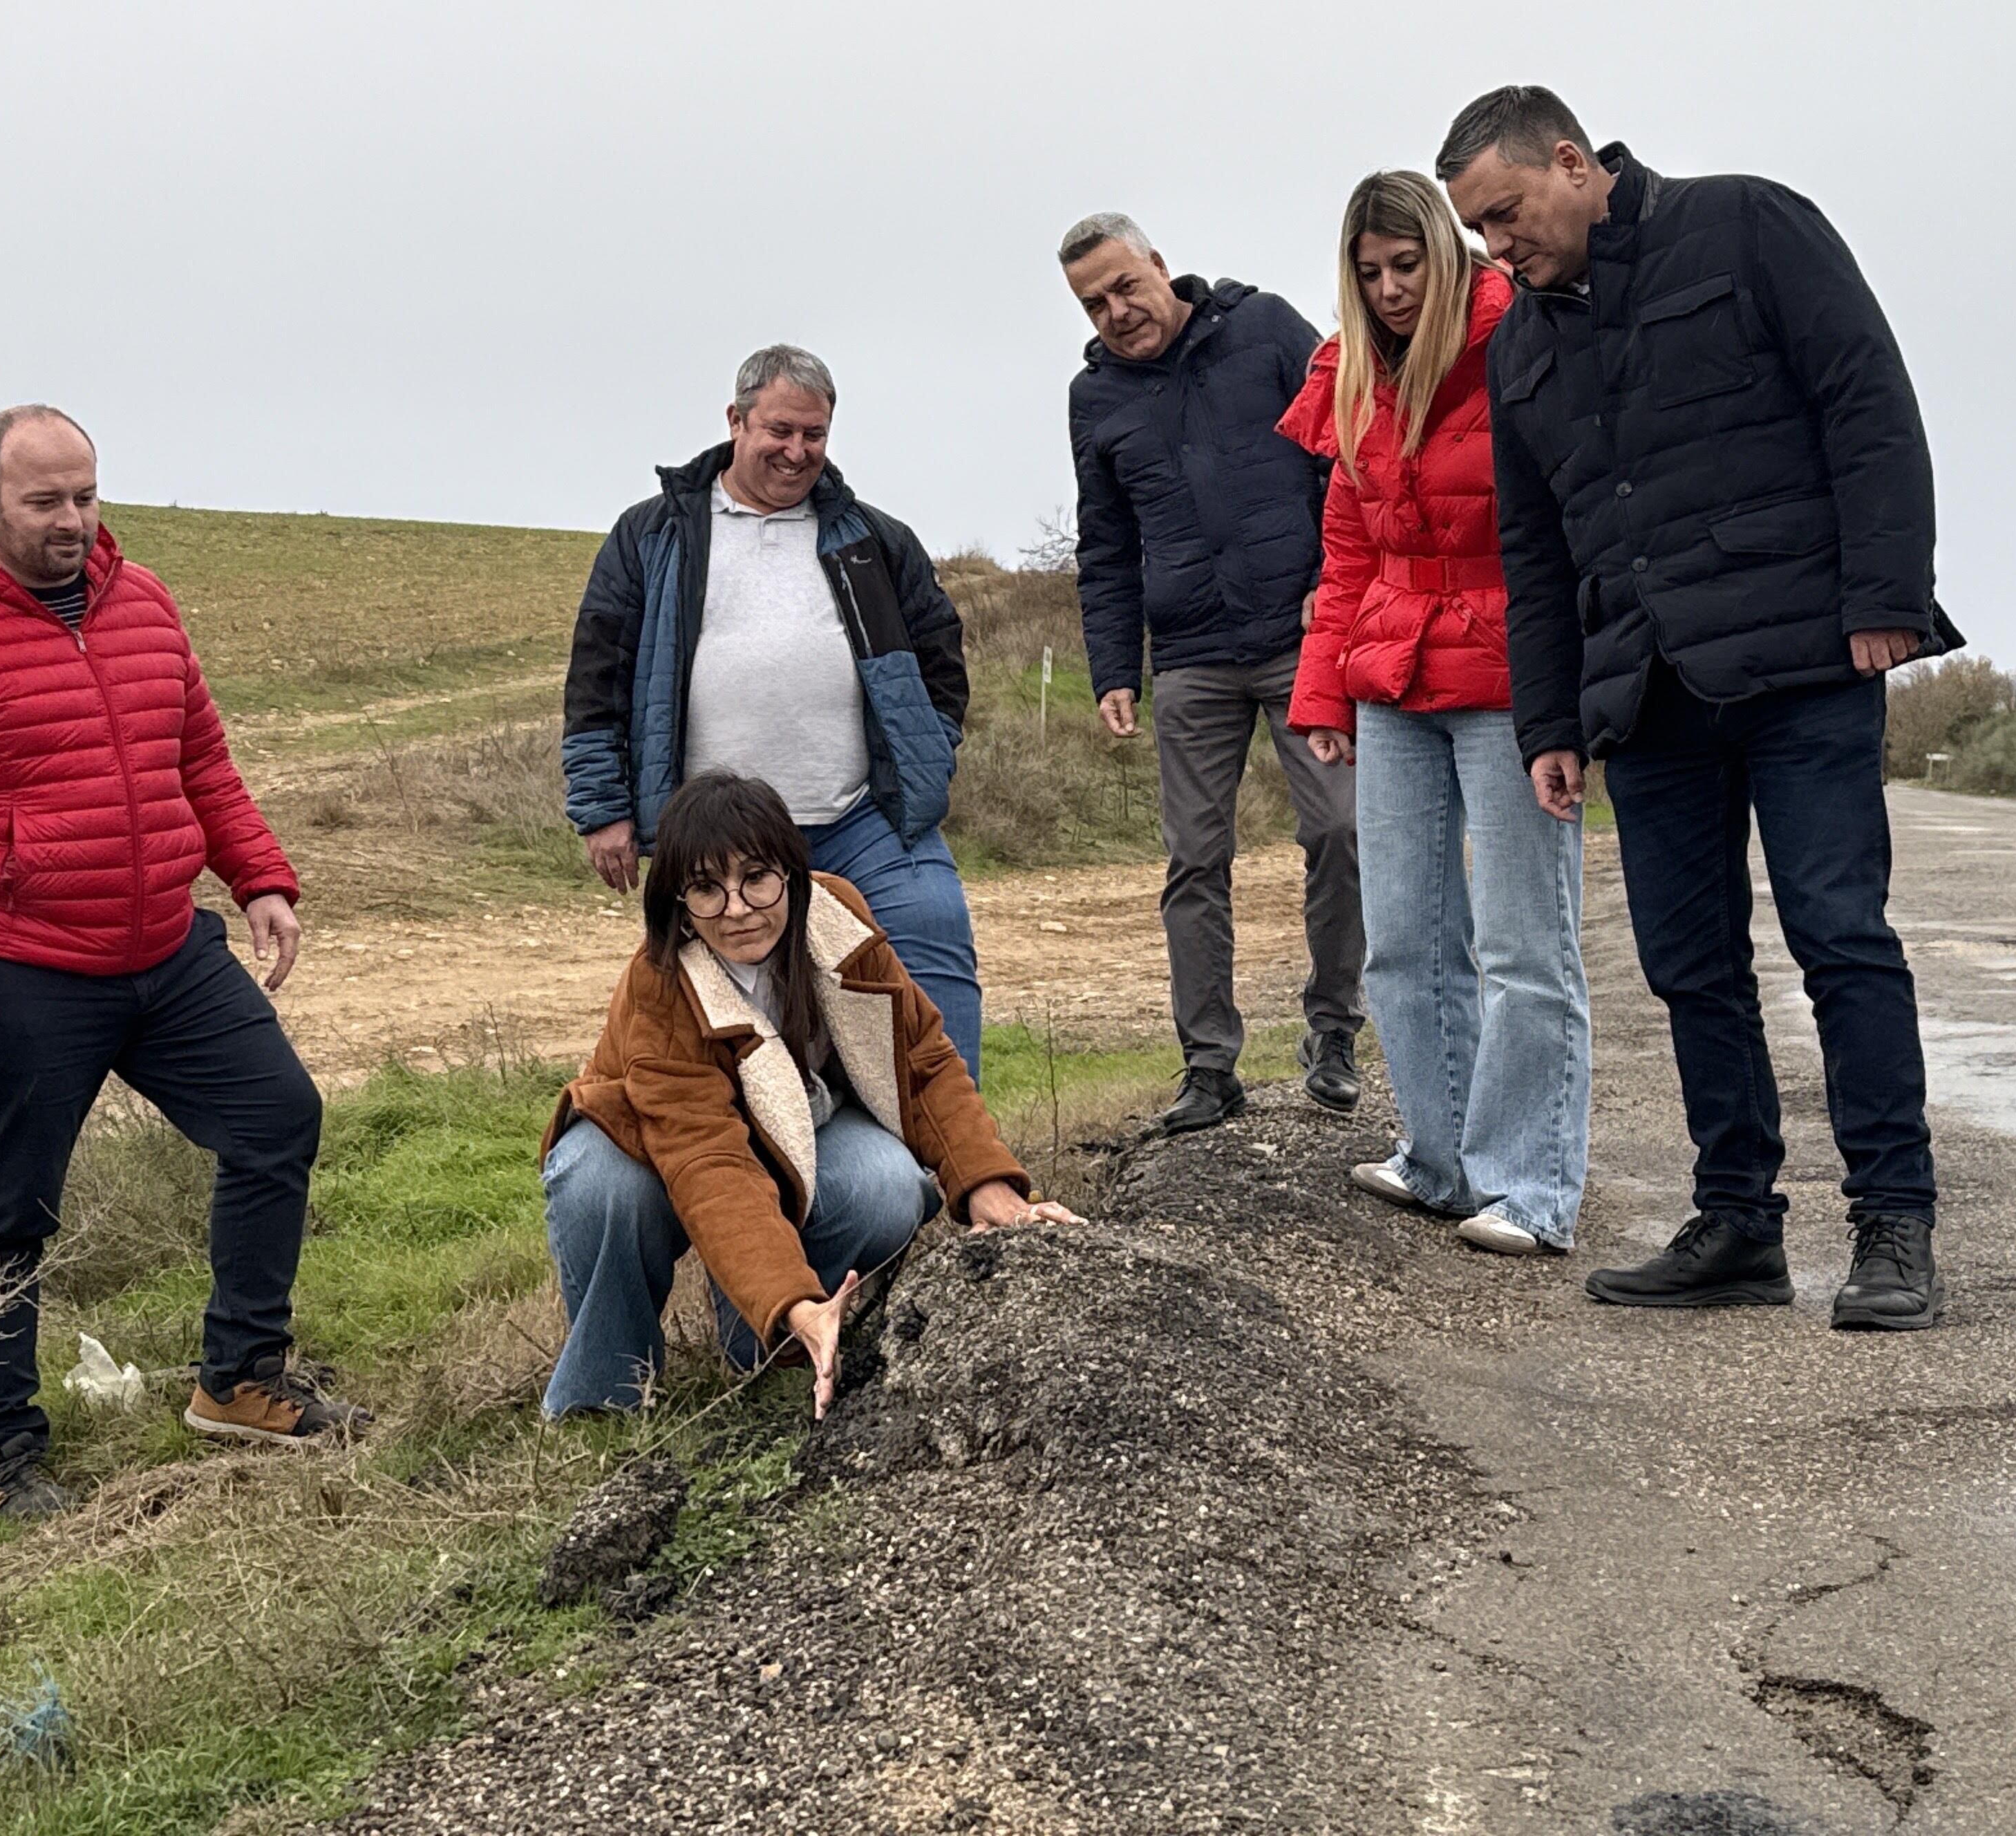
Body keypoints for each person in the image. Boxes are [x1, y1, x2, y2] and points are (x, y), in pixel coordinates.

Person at [1439, 85, 1961, 1331]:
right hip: (1647, 691)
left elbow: (1866, 400)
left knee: (1839, 937)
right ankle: (1737, 1222)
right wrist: (1550, 721)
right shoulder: (1519, 347)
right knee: (1688, 966)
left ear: (1572, 161)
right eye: (1478, 231)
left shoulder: (1747, 225)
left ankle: (1894, 1223)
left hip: (1801, 661)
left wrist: (1886, 594)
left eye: (1506, 214)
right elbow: (1534, 548)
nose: (1496, 247)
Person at [0, 406, 365, 1523]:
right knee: (7, 1215)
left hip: (166, 948)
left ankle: (240, 1379)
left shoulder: (143, 603)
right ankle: (1, 1451)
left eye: (85, 495)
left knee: (277, 1117)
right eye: (44, 501)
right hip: (15, 969)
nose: (71, 520)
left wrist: (258, 875)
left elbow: (197, 757)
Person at [539, 770, 1079, 1414]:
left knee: (889, 1185)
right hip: (651, 1139)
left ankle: (770, 1342)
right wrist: (788, 1297)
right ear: (678, 901)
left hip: (795, 1125)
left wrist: (988, 1185)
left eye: (757, 878)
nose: (737, 909)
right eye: (706, 889)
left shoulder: (838, 917)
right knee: (601, 1184)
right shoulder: (660, 980)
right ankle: (606, 1393)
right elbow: (709, 1161)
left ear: (792, 873)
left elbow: (922, 1062)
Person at [1283, 173, 1591, 1257]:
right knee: (1404, 940)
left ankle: (1532, 1191)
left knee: (1522, 945)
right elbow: (1347, 550)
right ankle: (1441, 1161)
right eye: (1369, 272)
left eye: (1407, 265)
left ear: (1448, 255)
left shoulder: (1524, 345)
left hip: (1512, 679)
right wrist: (1325, 690)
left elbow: (1569, 524)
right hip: (1393, 682)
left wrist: (1570, 695)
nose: (1389, 289)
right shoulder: (1351, 374)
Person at [563, 345, 984, 1074]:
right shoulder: (652, 535)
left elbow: (940, 661)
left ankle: (957, 1145)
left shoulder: (874, 540)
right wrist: (603, 808)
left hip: (864, 821)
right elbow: (599, 676)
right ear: (736, 420)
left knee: (933, 953)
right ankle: (763, 1148)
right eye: (780, 431)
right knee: (725, 1027)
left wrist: (927, 752)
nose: (797, 452)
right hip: (716, 839)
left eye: (814, 435)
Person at [1059, 212, 1366, 1132]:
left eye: (1125, 286)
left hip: (1302, 640)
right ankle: (1208, 1066)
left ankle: (1334, 1031)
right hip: (1190, 655)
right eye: (1094, 304)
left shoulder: (1264, 327)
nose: (1117, 311)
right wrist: (1115, 667)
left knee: (1342, 831)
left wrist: (1333, 585)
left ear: (1160, 266)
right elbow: (1105, 545)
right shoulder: (1093, 398)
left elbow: (1347, 451)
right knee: (1195, 860)